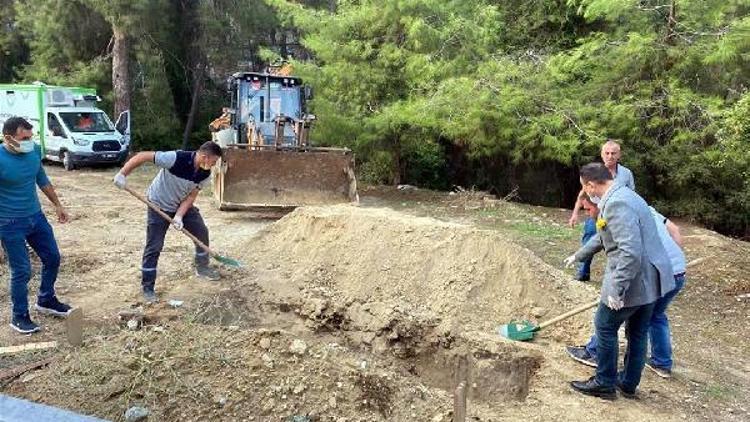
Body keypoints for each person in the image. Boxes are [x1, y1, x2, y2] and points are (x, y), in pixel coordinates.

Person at [567, 163, 673, 400]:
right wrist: (579, 255)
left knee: (605, 326)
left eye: (585, 187)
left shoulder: (616, 203)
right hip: (650, 281)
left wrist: (617, 289)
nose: (587, 191)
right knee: (637, 332)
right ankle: (627, 384)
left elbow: (630, 252)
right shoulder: (628, 195)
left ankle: (604, 383)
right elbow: (605, 235)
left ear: (591, 185)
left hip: (634, 280)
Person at [564, 196, 687, 379]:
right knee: (654, 317)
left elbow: (628, 255)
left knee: (613, 319)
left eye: (589, 210)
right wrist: (672, 260)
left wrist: (616, 289)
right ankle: (661, 363)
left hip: (652, 273)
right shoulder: (646, 210)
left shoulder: (619, 214)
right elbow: (675, 231)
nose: (589, 215)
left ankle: (595, 353)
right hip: (676, 272)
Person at [113, 141, 223, 303]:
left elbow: (191, 196)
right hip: (158, 204)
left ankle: (202, 267)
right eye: (213, 162)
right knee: (154, 245)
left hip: (180, 204)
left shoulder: (205, 175)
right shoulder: (175, 158)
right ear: (204, 157)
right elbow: (143, 156)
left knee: (201, 232)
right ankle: (148, 287)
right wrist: (122, 174)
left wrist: (179, 216)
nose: (213, 165)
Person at [0, 117, 73, 334]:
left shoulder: (33, 152)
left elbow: (41, 179)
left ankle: (46, 299)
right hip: (8, 223)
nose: (29, 142)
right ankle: (19, 316)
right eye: (24, 138)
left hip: (35, 217)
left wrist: (58, 205)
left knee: (52, 257)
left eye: (31, 137)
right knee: (22, 270)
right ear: (8, 138)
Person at [568, 140, 635, 281]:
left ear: (619, 155)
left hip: (617, 217)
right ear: (602, 154)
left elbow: (631, 195)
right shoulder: (595, 172)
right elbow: (582, 194)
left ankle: (616, 277)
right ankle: (583, 272)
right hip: (596, 214)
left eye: (613, 153)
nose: (610, 156)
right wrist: (575, 214)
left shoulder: (626, 174)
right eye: (607, 153)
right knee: (589, 241)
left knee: (617, 246)